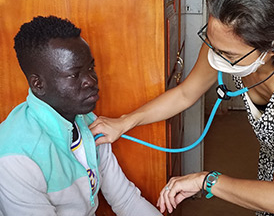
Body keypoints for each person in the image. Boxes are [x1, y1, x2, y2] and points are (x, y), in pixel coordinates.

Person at [89, 0, 274, 215]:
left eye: (229, 55)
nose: (215, 57)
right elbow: (185, 94)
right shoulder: (225, 39)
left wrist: (205, 180)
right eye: (212, 44)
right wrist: (124, 122)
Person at [0, 16, 162, 216]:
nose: (91, 80)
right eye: (74, 74)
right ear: (38, 84)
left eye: (91, 68)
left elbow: (126, 200)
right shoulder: (16, 157)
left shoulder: (87, 122)